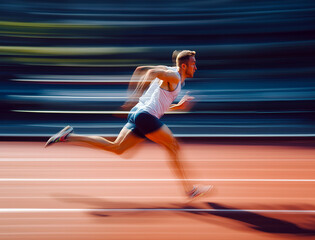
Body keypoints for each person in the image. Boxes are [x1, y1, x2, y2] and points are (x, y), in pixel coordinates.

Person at [45, 50, 212, 199]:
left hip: (138, 114)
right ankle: (190, 190)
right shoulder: (173, 76)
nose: (195, 67)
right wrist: (131, 98)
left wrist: (178, 107)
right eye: (193, 64)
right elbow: (150, 72)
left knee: (117, 148)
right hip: (144, 116)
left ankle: (68, 137)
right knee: (174, 147)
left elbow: (143, 75)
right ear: (183, 66)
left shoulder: (175, 78)